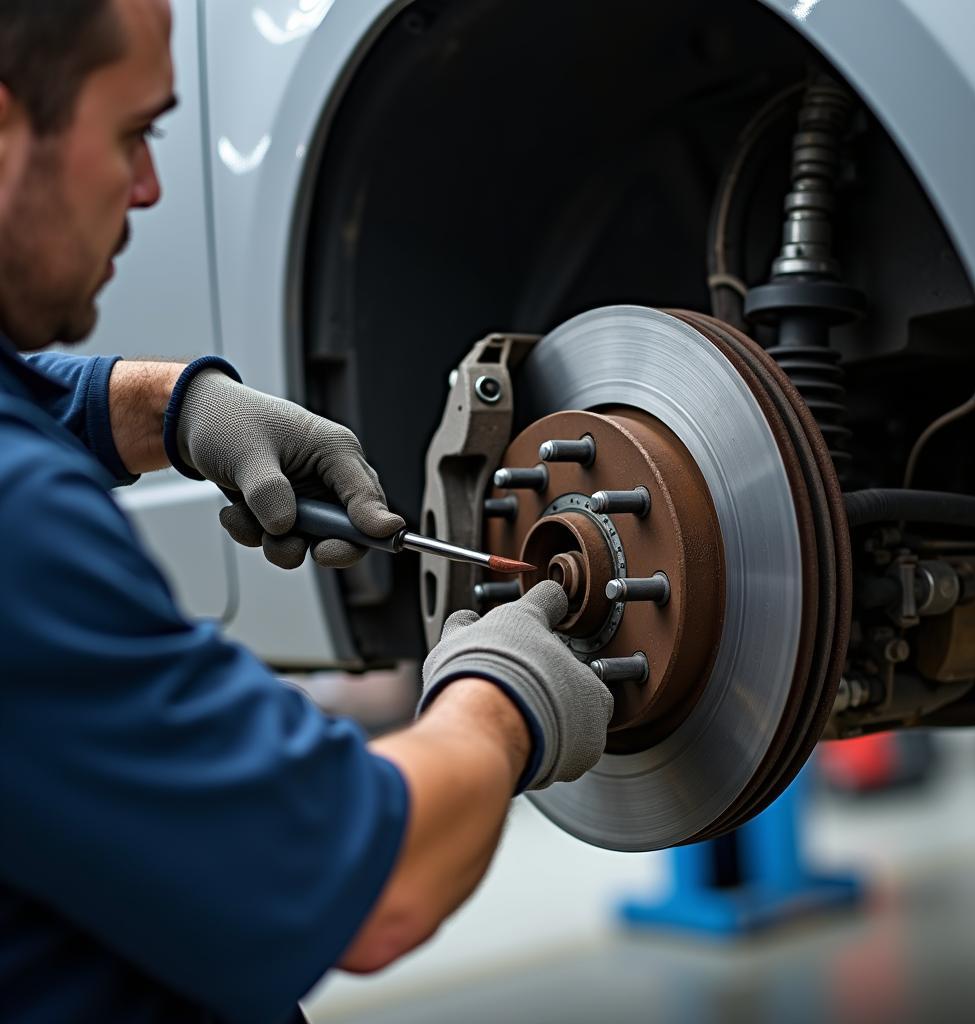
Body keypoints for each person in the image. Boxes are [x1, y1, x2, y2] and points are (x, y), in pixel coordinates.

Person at [0, 2, 613, 1021]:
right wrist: (504, 698)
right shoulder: (23, 530)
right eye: (132, 134)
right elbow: (379, 886)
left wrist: (171, 408)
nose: (148, 187)